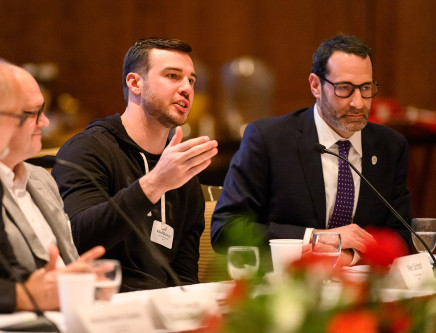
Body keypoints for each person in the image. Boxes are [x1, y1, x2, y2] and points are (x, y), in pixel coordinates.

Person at [210, 34, 412, 267]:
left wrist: (348, 257)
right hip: (282, 288)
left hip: (360, 288)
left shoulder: (390, 147)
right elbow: (226, 228)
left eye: (365, 88)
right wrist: (317, 238)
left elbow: (402, 235)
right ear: (316, 85)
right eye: (344, 88)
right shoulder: (269, 140)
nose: (358, 102)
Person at [0, 56, 103, 313]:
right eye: (19, 117)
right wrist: (20, 296)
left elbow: (1, 267)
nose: (41, 124)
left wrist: (48, 283)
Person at [52, 37, 218, 291]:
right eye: (173, 76)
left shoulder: (181, 170)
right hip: (103, 304)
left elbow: (184, 276)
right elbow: (76, 239)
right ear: (135, 83)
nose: (186, 88)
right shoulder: (88, 150)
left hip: (162, 312)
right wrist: (154, 184)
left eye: (191, 80)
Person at [0, 66, 79, 272]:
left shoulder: (40, 177)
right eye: (34, 114)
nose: (45, 122)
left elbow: (69, 258)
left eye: (43, 111)